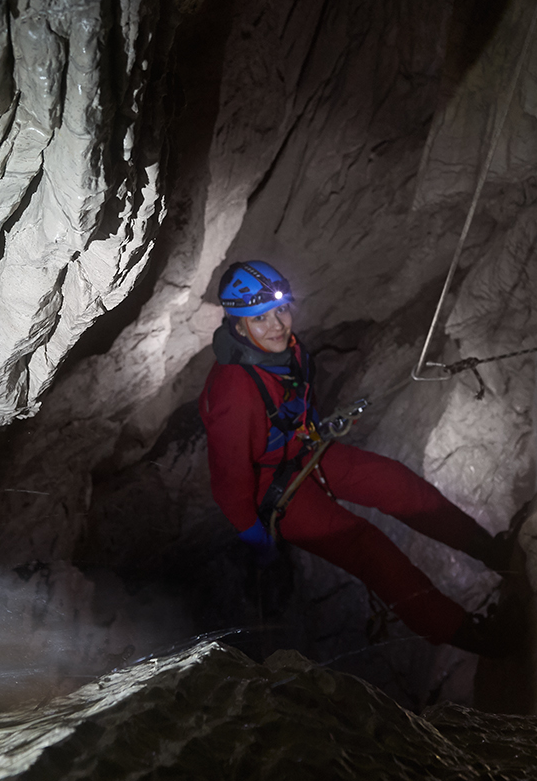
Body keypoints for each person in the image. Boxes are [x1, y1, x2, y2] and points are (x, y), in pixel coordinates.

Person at [199, 259, 513, 655]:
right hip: (273, 491)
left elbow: (292, 407)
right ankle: (468, 634)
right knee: (368, 548)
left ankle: (492, 551)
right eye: (261, 318)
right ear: (239, 325)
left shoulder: (284, 351)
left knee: (394, 482)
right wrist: (253, 534)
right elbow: (229, 480)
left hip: (305, 453)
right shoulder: (234, 392)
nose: (277, 325)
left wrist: (313, 432)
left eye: (281, 310)